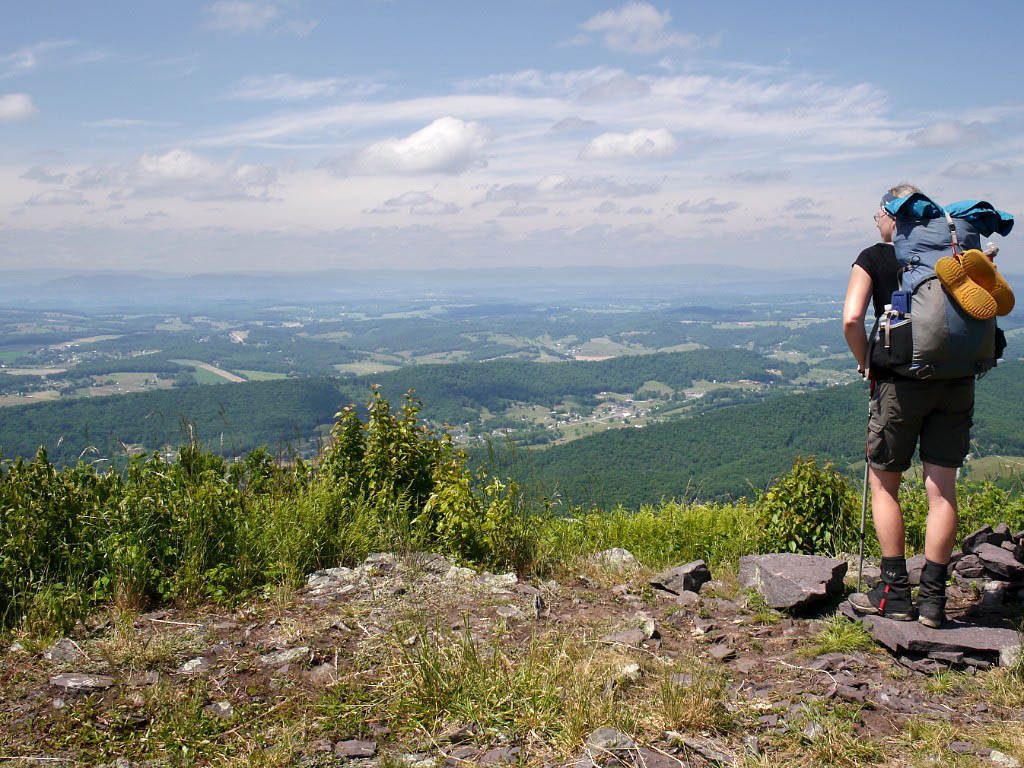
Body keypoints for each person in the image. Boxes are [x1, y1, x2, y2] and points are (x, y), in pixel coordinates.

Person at [841, 183, 970, 628]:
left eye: (877, 213)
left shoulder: (876, 256)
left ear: (890, 216)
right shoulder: (952, 252)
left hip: (898, 382)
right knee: (942, 490)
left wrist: (865, 365)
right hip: (955, 380)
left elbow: (852, 319)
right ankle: (934, 600)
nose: (875, 221)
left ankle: (895, 593)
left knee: (884, 485)